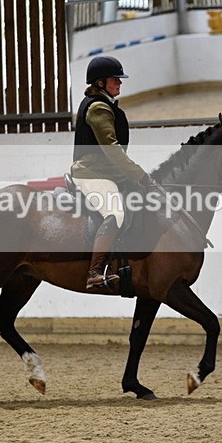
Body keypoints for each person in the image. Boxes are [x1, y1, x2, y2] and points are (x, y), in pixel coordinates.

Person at [71, 55, 152, 291]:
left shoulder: (106, 105)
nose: (119, 83)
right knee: (115, 213)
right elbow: (112, 150)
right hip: (91, 174)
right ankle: (94, 272)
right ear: (99, 83)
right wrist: (140, 175)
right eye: (115, 79)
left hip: (106, 173)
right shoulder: (97, 108)